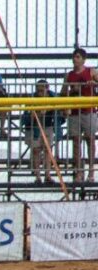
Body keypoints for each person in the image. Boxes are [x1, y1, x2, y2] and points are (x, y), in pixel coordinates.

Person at [61, 48, 98, 183]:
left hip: (89, 111)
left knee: (90, 140)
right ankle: (78, 172)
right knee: (76, 142)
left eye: (77, 57)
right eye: (74, 57)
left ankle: (91, 171)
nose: (75, 59)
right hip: (75, 113)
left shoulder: (91, 71)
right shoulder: (69, 75)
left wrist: (94, 84)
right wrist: (72, 91)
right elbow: (63, 93)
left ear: (83, 59)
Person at [21, 80, 60, 184]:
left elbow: (59, 112)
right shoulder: (32, 99)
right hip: (34, 127)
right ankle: (38, 176)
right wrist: (38, 113)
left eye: (42, 90)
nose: (39, 93)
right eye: (38, 90)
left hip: (48, 126)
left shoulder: (53, 98)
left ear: (47, 89)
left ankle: (47, 175)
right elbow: (28, 116)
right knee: (36, 150)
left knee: (48, 150)